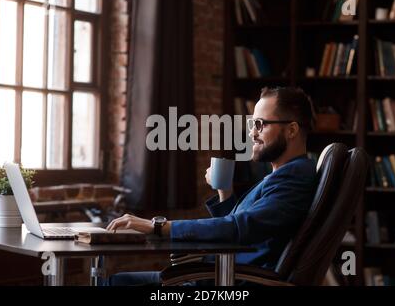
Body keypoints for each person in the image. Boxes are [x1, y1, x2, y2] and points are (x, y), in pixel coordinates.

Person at [105, 86, 318, 286]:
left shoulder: (294, 177)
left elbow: (240, 227)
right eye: (252, 124)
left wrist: (160, 226)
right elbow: (241, 225)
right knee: (118, 280)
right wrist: (225, 191)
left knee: (116, 282)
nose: (252, 133)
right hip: (218, 274)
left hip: (230, 280)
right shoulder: (283, 175)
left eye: (260, 124)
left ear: (291, 130)